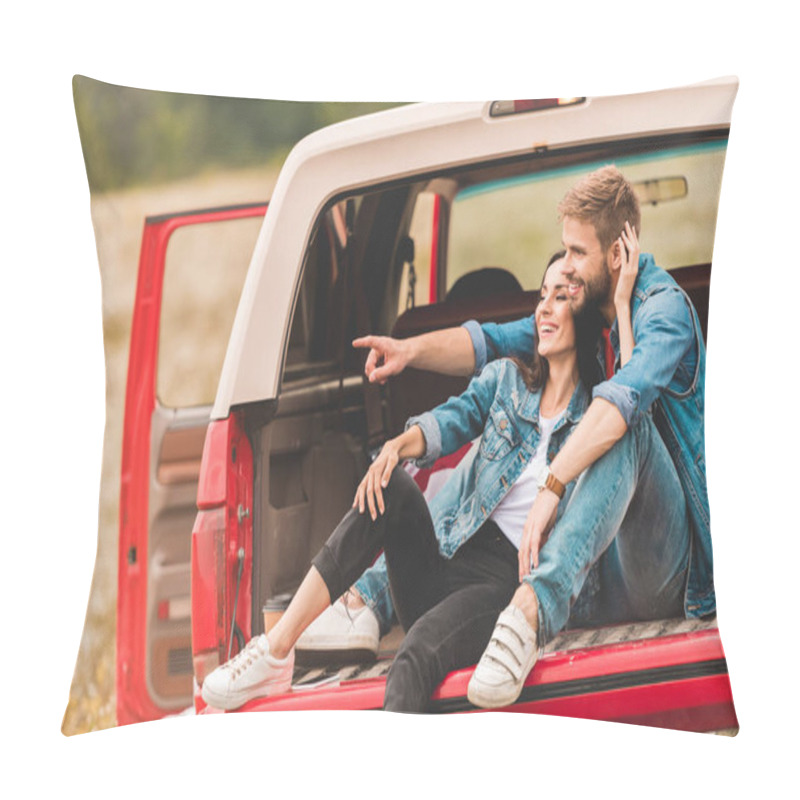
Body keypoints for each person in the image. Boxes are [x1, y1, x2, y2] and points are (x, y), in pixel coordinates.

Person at [338, 164, 711, 709]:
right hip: (598, 578)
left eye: (577, 254)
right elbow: (491, 342)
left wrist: (552, 486)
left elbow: (625, 401)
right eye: (563, 251)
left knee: (621, 422)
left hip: (667, 568)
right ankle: (366, 600)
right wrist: (408, 350)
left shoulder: (664, 310)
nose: (565, 266)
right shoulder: (582, 303)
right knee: (470, 467)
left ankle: (528, 613)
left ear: (615, 256)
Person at [200, 255, 604, 712]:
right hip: (451, 559)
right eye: (542, 295)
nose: (545, 307)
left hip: (505, 591)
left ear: (587, 314)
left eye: (563, 296)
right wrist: (398, 446)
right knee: (389, 483)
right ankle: (275, 649)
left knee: (412, 658)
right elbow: (456, 416)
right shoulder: (508, 380)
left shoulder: (598, 417)